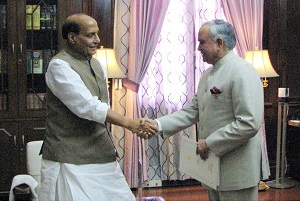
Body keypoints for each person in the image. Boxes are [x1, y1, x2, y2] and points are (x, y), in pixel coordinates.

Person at [139, 19, 269, 201]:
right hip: (214, 169)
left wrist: (209, 143)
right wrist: (157, 124)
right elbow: (192, 111)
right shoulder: (208, 74)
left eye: (202, 42)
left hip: (237, 170)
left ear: (219, 43)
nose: (198, 48)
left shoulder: (242, 71)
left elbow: (249, 123)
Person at [39, 13, 156, 201]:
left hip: (100, 151)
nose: (97, 40)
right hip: (70, 157)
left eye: (97, 34)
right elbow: (87, 106)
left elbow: (102, 106)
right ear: (72, 37)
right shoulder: (59, 66)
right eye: (90, 35)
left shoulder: (96, 64)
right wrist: (130, 123)